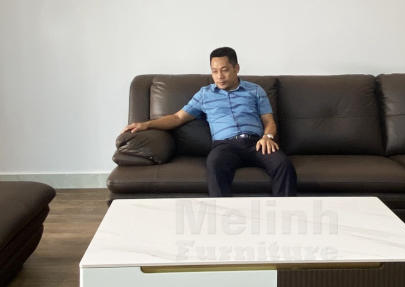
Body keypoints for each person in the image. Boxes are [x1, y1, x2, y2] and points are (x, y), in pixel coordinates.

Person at [123, 47, 297, 197]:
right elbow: (178, 118)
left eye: (224, 70)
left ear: (236, 68)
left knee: (283, 164)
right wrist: (146, 124)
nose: (219, 76)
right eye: (214, 71)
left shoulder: (255, 90)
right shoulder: (205, 94)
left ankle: (283, 216)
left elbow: (269, 121)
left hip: (257, 143)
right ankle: (223, 219)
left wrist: (267, 136)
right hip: (224, 145)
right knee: (215, 164)